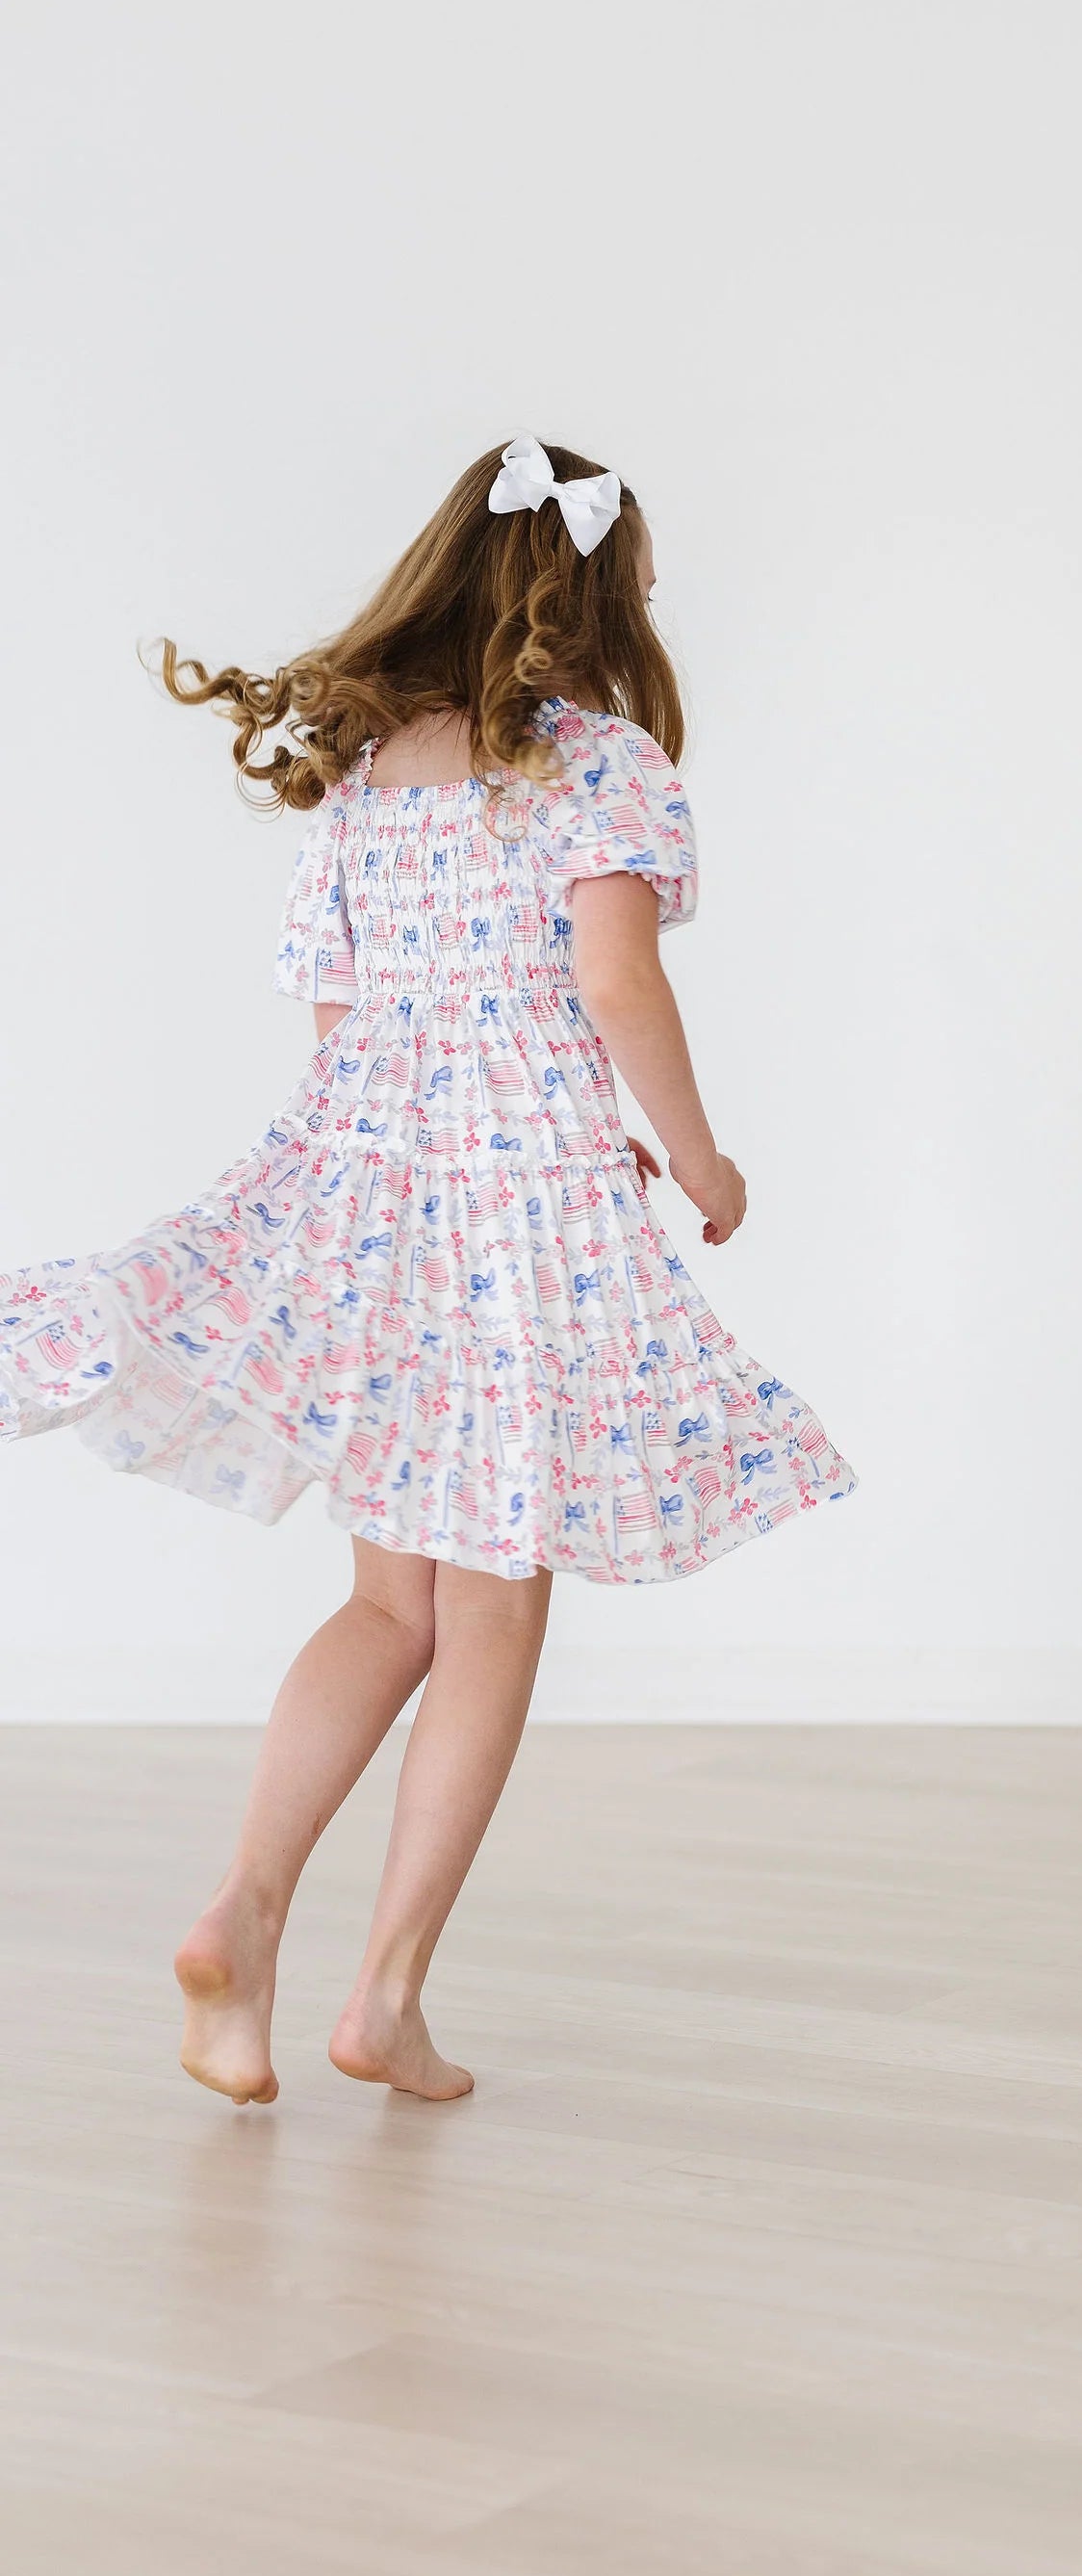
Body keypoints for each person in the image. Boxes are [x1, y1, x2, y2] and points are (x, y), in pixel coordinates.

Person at [0, 435, 855, 2103]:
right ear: (593, 591)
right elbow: (614, 984)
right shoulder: (596, 764)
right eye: (647, 577)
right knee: (490, 1610)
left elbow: (341, 1010)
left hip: (369, 1187)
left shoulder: (368, 765)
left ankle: (241, 1913)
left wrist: (444, 1115)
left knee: (384, 1600)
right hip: (519, 1211)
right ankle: (379, 1997)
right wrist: (695, 1157)